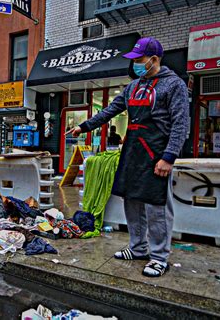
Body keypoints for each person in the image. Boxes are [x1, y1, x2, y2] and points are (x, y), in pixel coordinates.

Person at [66, 37, 189, 277]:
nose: (135, 65)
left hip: (157, 154)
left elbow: (180, 124)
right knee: (131, 202)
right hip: (133, 152)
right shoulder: (132, 87)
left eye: (139, 60)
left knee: (157, 208)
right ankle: (138, 247)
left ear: (154, 60)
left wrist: (169, 156)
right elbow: (111, 110)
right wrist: (84, 126)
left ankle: (159, 256)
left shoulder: (174, 85)